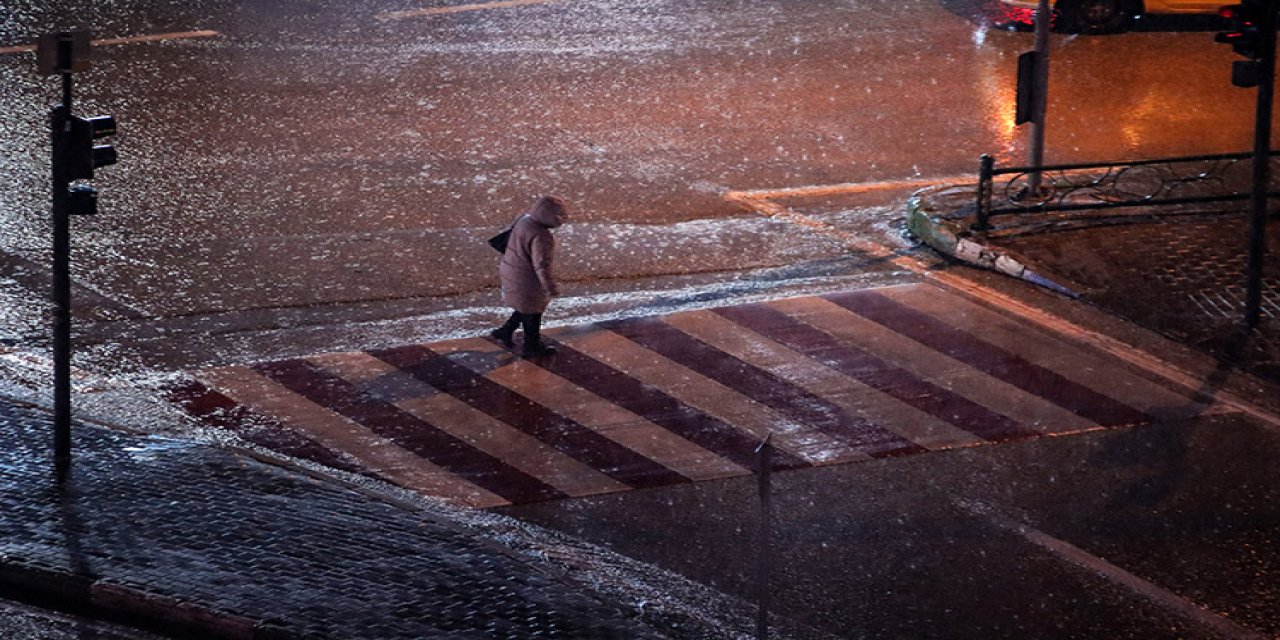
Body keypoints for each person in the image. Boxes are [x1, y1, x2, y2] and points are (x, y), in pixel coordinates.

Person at [491, 195, 569, 357]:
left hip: (510, 268)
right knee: (533, 311)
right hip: (526, 278)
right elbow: (541, 265)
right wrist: (550, 287)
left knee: (525, 305)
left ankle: (505, 331)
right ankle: (531, 347)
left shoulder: (524, 219)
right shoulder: (542, 236)